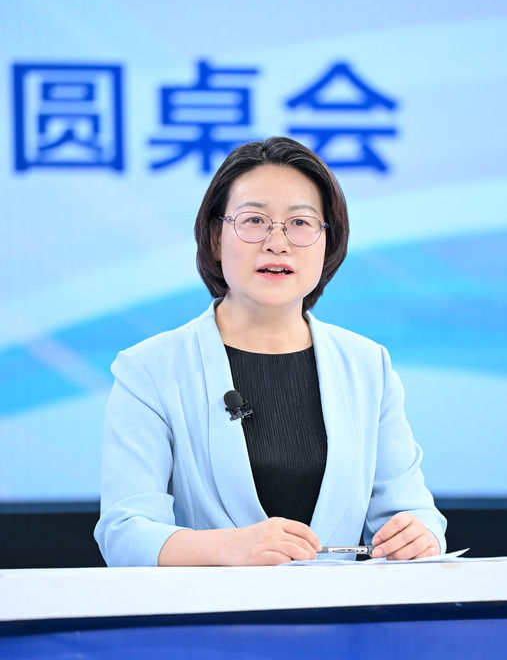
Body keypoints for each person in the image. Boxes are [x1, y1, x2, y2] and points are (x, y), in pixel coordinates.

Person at [94, 137, 446, 567]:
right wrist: (227, 548)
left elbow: (412, 511)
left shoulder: (368, 365)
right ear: (215, 237)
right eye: (254, 220)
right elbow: (125, 533)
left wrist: (421, 535)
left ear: (328, 242)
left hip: (340, 609)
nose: (277, 242)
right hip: (209, 608)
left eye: (300, 223)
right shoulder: (150, 369)